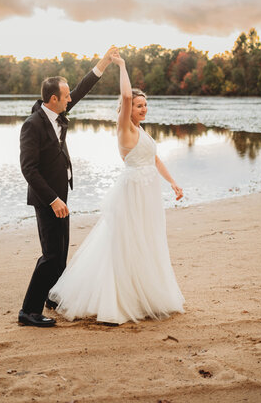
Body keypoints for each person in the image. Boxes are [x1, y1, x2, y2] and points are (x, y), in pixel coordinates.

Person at [48, 51, 185, 324]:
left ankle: (145, 293)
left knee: (147, 242)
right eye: (138, 106)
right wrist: (121, 65)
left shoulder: (141, 129)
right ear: (127, 110)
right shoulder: (125, 129)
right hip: (132, 193)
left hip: (149, 193)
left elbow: (154, 158)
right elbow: (124, 96)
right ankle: (121, 300)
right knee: (127, 243)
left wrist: (172, 182)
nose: (143, 109)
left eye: (145, 105)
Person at [18, 46, 117, 327]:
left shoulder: (57, 112)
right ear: (53, 99)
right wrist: (52, 200)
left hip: (61, 196)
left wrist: (104, 62)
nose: (70, 98)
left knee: (60, 256)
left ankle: (51, 295)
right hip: (46, 198)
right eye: (65, 96)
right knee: (50, 256)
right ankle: (28, 311)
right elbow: (29, 169)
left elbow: (82, 89)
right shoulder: (32, 125)